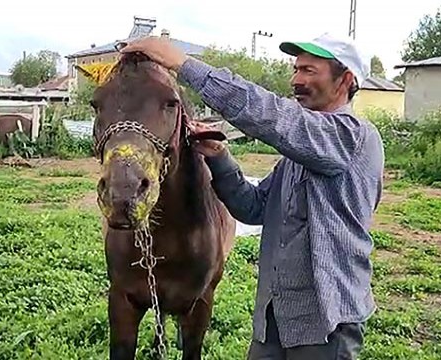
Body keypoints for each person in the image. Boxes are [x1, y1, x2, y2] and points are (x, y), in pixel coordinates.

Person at [120, 31, 384, 359]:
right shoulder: (298, 154)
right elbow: (254, 207)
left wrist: (183, 64)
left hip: (326, 323)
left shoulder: (353, 137)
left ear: (345, 79)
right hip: (275, 316)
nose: (296, 80)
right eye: (296, 69)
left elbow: (273, 117)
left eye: (309, 71)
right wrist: (219, 157)